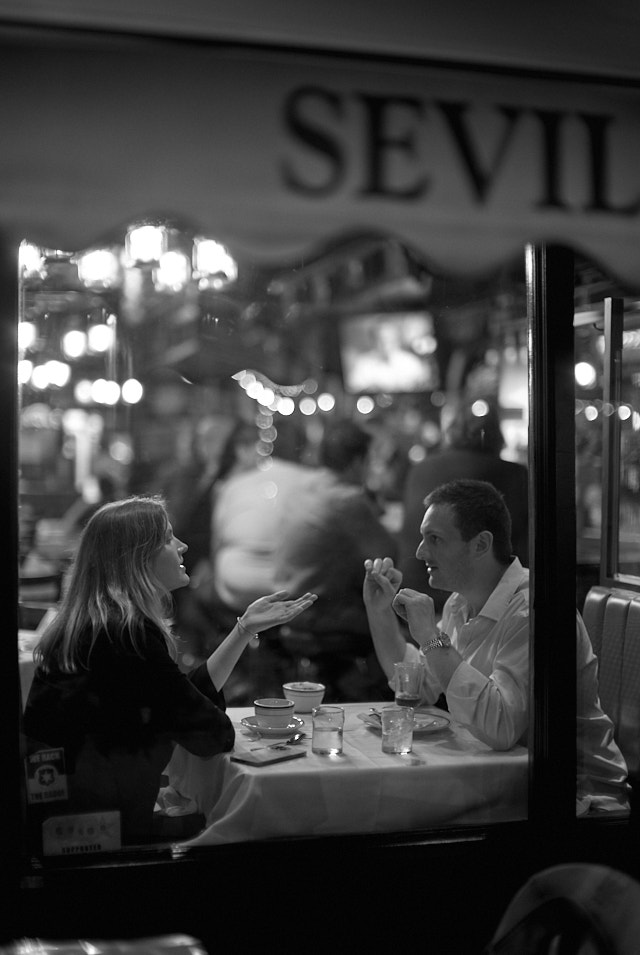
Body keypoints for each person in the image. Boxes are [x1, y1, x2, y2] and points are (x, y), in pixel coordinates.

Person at [23, 496, 317, 845]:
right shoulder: (125, 635)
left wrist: (243, 630)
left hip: (64, 821)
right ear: (137, 557)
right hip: (98, 839)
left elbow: (178, 701)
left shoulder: (101, 625)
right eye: (167, 538)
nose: (182, 546)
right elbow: (210, 733)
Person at [363, 478, 629, 812]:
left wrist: (431, 637)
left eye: (435, 539)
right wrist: (379, 613)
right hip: (509, 782)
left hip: (576, 801)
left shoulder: (532, 610)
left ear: (481, 544)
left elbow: (501, 727)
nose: (420, 552)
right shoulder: (460, 603)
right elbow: (419, 686)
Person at [274, 419, 398, 700]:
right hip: (323, 617)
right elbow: (390, 558)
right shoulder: (347, 499)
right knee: (402, 628)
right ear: (358, 462)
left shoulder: (302, 487)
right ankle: (378, 699)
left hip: (289, 607)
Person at [397, 400, 528, 601]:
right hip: (475, 597)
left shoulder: (421, 469)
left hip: (412, 591)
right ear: (498, 436)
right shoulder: (514, 474)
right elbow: (521, 543)